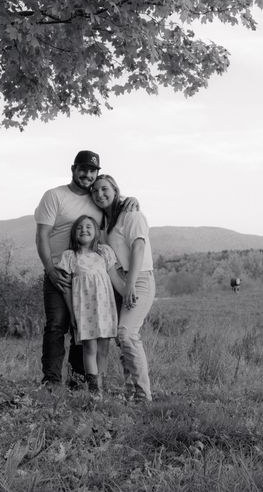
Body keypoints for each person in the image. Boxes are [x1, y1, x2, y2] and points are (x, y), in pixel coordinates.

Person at [34, 150, 136, 388]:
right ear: (73, 169)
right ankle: (51, 381)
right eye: (83, 169)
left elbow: (114, 203)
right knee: (57, 324)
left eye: (92, 171)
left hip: (92, 274)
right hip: (60, 270)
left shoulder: (96, 199)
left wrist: (131, 200)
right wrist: (50, 269)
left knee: (85, 327)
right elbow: (41, 236)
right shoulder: (55, 196)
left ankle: (78, 379)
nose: (87, 175)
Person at [91, 174, 155, 402]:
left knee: (127, 333)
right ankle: (130, 391)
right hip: (117, 280)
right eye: (95, 191)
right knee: (121, 339)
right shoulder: (106, 221)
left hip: (139, 278)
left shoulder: (131, 214)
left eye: (104, 189)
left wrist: (130, 285)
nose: (100, 194)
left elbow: (138, 248)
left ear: (115, 190)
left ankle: (143, 395)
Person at [55, 215, 126, 394]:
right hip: (84, 310)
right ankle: (94, 391)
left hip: (104, 308)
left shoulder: (104, 252)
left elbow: (115, 279)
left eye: (88, 227)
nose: (84, 230)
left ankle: (101, 384)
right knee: (89, 347)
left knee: (104, 348)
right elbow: (66, 289)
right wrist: (72, 313)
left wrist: (129, 294)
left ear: (96, 231)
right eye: (79, 227)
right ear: (74, 233)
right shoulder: (70, 256)